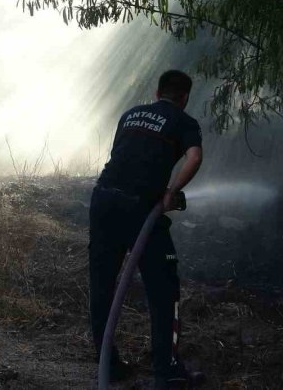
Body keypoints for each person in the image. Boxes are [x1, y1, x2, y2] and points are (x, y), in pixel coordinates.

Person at [89, 70, 205, 388]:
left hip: (103, 200)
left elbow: (123, 156)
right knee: (164, 288)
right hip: (141, 209)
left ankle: (108, 366)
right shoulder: (184, 121)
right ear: (184, 98)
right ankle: (165, 371)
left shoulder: (131, 114)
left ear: (157, 93)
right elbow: (194, 157)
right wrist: (171, 192)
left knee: (102, 285)